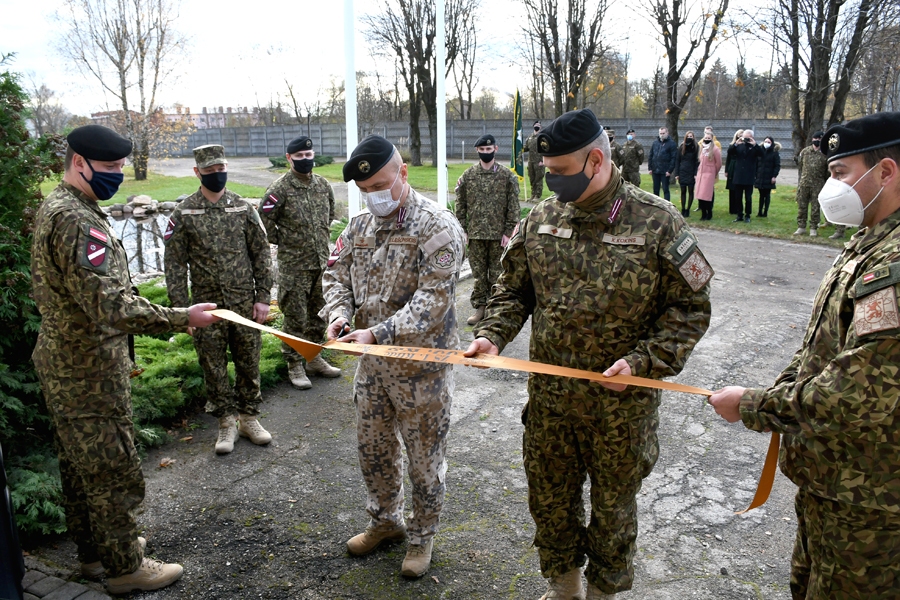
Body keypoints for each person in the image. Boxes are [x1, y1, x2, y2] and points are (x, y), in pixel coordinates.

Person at [465, 109, 713, 600]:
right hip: (552, 404)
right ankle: (564, 588)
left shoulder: (658, 222)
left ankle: (601, 593)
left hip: (620, 410)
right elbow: (513, 290)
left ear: (595, 160)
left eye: (559, 172)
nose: (551, 182)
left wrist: (644, 363)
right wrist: (493, 335)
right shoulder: (542, 217)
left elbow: (690, 309)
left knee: (613, 512)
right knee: (550, 503)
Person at [708, 112, 900, 600]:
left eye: (840, 174)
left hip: (873, 499)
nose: (830, 187)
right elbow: (822, 347)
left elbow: (859, 392)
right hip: (834, 480)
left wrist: (755, 405)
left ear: (886, 173)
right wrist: (775, 390)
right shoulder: (869, 241)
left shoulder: (895, 263)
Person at [31, 125, 220, 594]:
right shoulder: (77, 220)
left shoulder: (65, 206)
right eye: (111, 168)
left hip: (69, 361)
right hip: (87, 369)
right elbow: (111, 305)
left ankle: (97, 555)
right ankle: (125, 568)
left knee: (81, 467)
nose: (118, 176)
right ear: (81, 163)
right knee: (113, 469)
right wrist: (183, 318)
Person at [322, 135, 466, 578]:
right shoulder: (359, 227)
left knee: (424, 462)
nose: (373, 197)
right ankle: (385, 522)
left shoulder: (436, 227)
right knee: (375, 451)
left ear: (403, 173)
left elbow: (433, 299)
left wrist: (377, 332)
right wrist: (339, 315)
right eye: (365, 191)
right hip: (374, 371)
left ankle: (422, 539)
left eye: (380, 186)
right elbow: (335, 275)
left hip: (421, 372)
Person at [164, 144, 274, 455]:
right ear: (197, 172)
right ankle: (226, 421)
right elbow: (173, 264)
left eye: (221, 168)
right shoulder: (183, 212)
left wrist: (263, 296)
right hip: (206, 308)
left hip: (243, 302)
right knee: (212, 366)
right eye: (210, 171)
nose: (217, 175)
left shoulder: (242, 208)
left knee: (248, 362)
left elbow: (261, 253)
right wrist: (180, 311)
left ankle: (249, 418)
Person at [258, 136, 341, 390]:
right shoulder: (279, 188)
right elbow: (264, 219)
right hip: (294, 264)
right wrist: (284, 240)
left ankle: (313, 357)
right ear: (289, 158)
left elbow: (329, 214)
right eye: (299, 156)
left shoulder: (323, 185)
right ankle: (294, 363)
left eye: (308, 155)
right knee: (295, 316)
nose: (305, 160)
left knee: (319, 313)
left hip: (320, 262)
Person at [455, 134, 521, 326]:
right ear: (477, 151)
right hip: (475, 235)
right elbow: (461, 205)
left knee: (497, 275)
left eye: (489, 149)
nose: (486, 152)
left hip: (498, 235)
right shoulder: (468, 176)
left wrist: (508, 232)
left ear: (496, 149)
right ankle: (480, 308)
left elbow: (513, 206)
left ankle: (495, 310)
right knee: (478, 275)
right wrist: (463, 230)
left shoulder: (507, 176)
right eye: (482, 150)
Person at [793, 131, 830, 238]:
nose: (817, 141)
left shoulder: (825, 153)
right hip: (804, 183)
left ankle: (813, 228)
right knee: (802, 206)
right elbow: (801, 166)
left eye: (820, 139)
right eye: (816, 138)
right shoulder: (805, 151)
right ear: (812, 139)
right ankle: (801, 227)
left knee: (815, 207)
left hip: (818, 184)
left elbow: (827, 172)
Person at [726, 129, 764, 223]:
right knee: (738, 197)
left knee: (748, 198)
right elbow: (729, 152)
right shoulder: (739, 146)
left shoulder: (755, 148)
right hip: (738, 176)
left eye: (748, 138)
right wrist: (736, 143)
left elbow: (762, 154)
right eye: (744, 137)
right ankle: (739, 215)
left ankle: (747, 215)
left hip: (749, 176)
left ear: (752, 137)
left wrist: (755, 144)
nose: (746, 140)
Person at [695, 131, 722, 221]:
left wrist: (714, 172)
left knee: (706, 195)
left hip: (709, 174)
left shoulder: (715, 149)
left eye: (708, 138)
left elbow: (718, 163)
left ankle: (709, 213)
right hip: (701, 174)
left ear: (712, 139)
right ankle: (703, 213)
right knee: (700, 195)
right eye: (705, 138)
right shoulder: (702, 148)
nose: (706, 140)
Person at [673, 131, 700, 217]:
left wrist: (695, 173)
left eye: (691, 136)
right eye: (688, 136)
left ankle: (688, 209)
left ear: (693, 137)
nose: (689, 137)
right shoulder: (682, 146)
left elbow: (697, 161)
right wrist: (676, 173)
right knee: (683, 191)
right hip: (682, 171)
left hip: (691, 171)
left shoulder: (696, 147)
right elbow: (677, 160)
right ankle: (683, 208)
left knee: (690, 191)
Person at [754, 136, 781, 217]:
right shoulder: (760, 151)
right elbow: (756, 163)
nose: (767, 143)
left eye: (769, 142)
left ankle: (765, 212)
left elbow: (777, 165)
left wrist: (774, 176)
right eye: (766, 141)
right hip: (760, 176)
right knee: (761, 195)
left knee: (767, 195)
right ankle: (759, 212)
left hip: (769, 177)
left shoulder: (774, 153)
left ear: (772, 143)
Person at [648, 126, 677, 201]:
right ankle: (656, 205)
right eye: (660, 133)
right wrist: (650, 168)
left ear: (667, 133)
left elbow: (673, 158)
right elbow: (651, 155)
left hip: (665, 171)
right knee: (656, 189)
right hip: (655, 170)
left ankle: (667, 205)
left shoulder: (672, 144)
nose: (662, 135)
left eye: (663, 133)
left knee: (665, 189)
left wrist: (670, 170)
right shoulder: (655, 143)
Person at [524, 121, 546, 201]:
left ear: (540, 127)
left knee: (538, 178)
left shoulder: (542, 137)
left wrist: (543, 160)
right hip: (531, 161)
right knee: (532, 178)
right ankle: (532, 194)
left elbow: (545, 149)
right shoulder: (530, 137)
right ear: (533, 126)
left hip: (539, 161)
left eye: (538, 125)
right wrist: (520, 148)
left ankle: (537, 195)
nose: (537, 126)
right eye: (536, 125)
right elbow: (526, 147)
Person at [725, 129, 744, 217]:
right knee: (731, 189)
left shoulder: (745, 146)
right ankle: (732, 208)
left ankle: (738, 208)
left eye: (742, 135)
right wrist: (726, 170)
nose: (740, 137)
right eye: (739, 135)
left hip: (740, 168)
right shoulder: (732, 145)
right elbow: (728, 157)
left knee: (738, 189)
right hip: (732, 167)